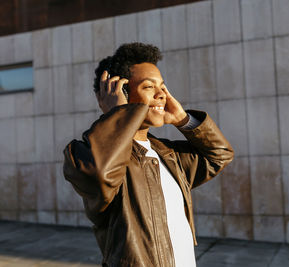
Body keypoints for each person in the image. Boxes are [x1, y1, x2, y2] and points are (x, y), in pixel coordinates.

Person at [63, 42, 234, 267]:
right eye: (148, 87)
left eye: (162, 86)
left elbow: (219, 155)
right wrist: (119, 114)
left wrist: (184, 119)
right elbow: (99, 176)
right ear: (120, 94)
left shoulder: (168, 154)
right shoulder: (86, 154)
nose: (162, 94)